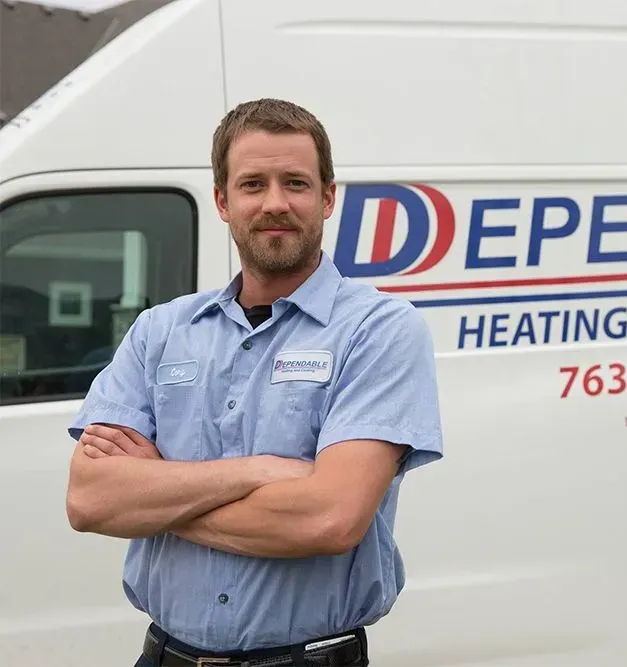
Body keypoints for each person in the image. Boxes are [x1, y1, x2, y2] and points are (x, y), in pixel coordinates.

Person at [64, 98, 445, 667]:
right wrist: (256, 472)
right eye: (252, 184)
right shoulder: (160, 332)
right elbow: (89, 500)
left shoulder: (378, 329)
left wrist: (154, 495)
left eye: (295, 182)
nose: (275, 203)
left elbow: (329, 517)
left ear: (328, 197)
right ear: (222, 200)